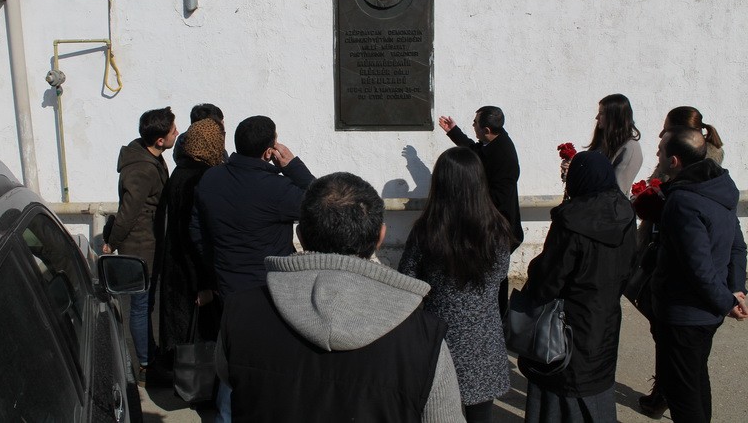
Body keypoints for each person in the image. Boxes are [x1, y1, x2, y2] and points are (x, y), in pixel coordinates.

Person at [214, 172, 466, 422]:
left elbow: (228, 375)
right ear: (381, 236)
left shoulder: (240, 313)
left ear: (300, 235)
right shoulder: (423, 337)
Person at [519, 151, 638, 423]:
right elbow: (631, 264)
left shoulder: (571, 220)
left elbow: (548, 281)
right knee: (596, 381)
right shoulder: (625, 212)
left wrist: (535, 269)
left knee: (564, 384)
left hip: (566, 325)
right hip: (605, 318)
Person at [398, 147, 514, 423]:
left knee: (436, 410)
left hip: (439, 334)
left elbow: (408, 280)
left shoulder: (427, 229)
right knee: (481, 412)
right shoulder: (497, 228)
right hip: (483, 334)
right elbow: (499, 276)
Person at [650, 127, 747, 422]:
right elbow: (737, 246)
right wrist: (735, 290)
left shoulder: (683, 201)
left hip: (685, 315)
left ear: (675, 161)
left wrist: (728, 300)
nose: (657, 154)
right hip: (705, 313)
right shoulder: (719, 187)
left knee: (685, 397)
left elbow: (697, 266)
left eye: (662, 150)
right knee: (695, 383)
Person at [636, 106, 725, 417]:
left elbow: (698, 258)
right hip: (680, 284)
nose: (660, 138)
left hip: (684, 297)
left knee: (687, 373)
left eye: (666, 131)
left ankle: (665, 391)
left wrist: (725, 299)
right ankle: (664, 388)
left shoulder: (697, 176)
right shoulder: (703, 177)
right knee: (688, 367)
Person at [190, 115, 315, 297]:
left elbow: (197, 231)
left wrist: (219, 265)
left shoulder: (210, 178)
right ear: (268, 152)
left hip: (229, 283)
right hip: (271, 287)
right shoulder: (278, 189)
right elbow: (320, 204)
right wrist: (292, 166)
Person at [103, 106, 178, 385]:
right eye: (173, 131)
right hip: (141, 247)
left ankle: (150, 354)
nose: (177, 133)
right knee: (140, 304)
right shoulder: (143, 169)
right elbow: (129, 212)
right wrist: (111, 243)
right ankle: (146, 364)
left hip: (150, 242)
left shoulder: (150, 156)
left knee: (144, 304)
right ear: (160, 140)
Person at [438, 106, 523, 317]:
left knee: (496, 275)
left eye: (475, 123)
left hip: (498, 227)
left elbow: (499, 197)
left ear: (486, 129)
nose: (473, 126)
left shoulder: (503, 155)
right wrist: (454, 132)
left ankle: (498, 317)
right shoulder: (494, 142)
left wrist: (470, 201)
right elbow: (475, 152)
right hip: (488, 223)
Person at [159, 118, 226, 361]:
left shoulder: (181, 171)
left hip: (176, 265)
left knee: (183, 336)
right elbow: (195, 232)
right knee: (200, 341)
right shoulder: (202, 178)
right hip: (193, 270)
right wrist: (205, 282)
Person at [585, 93, 643, 194]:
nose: (597, 117)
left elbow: (616, 189)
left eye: (601, 113)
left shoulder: (629, 148)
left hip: (607, 207)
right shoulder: (602, 143)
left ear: (614, 117)